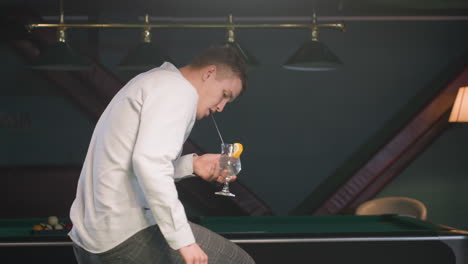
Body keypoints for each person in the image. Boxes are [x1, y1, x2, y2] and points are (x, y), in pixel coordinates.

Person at [69, 45, 255, 264]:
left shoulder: (153, 80)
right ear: (209, 73)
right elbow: (150, 164)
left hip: (89, 238)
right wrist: (183, 240)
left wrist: (192, 165)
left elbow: (135, 163)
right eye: (224, 95)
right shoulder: (178, 90)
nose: (221, 107)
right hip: (124, 234)